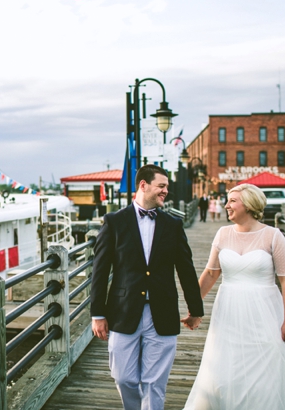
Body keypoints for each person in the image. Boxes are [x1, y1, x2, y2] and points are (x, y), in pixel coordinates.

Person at [182, 184, 285, 410]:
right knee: (226, 364)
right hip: (229, 310)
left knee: (265, 365)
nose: (226, 205)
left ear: (249, 205)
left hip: (264, 311)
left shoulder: (273, 236)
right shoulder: (223, 234)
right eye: (227, 200)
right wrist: (194, 310)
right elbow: (211, 274)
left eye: (232, 201)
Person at [91, 164, 204, 410]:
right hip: (122, 311)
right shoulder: (114, 221)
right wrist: (97, 314)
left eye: (166, 187)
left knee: (154, 383)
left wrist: (195, 309)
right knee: (123, 377)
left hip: (162, 312)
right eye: (161, 186)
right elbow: (99, 272)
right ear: (144, 185)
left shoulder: (173, 225)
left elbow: (186, 269)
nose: (165, 191)